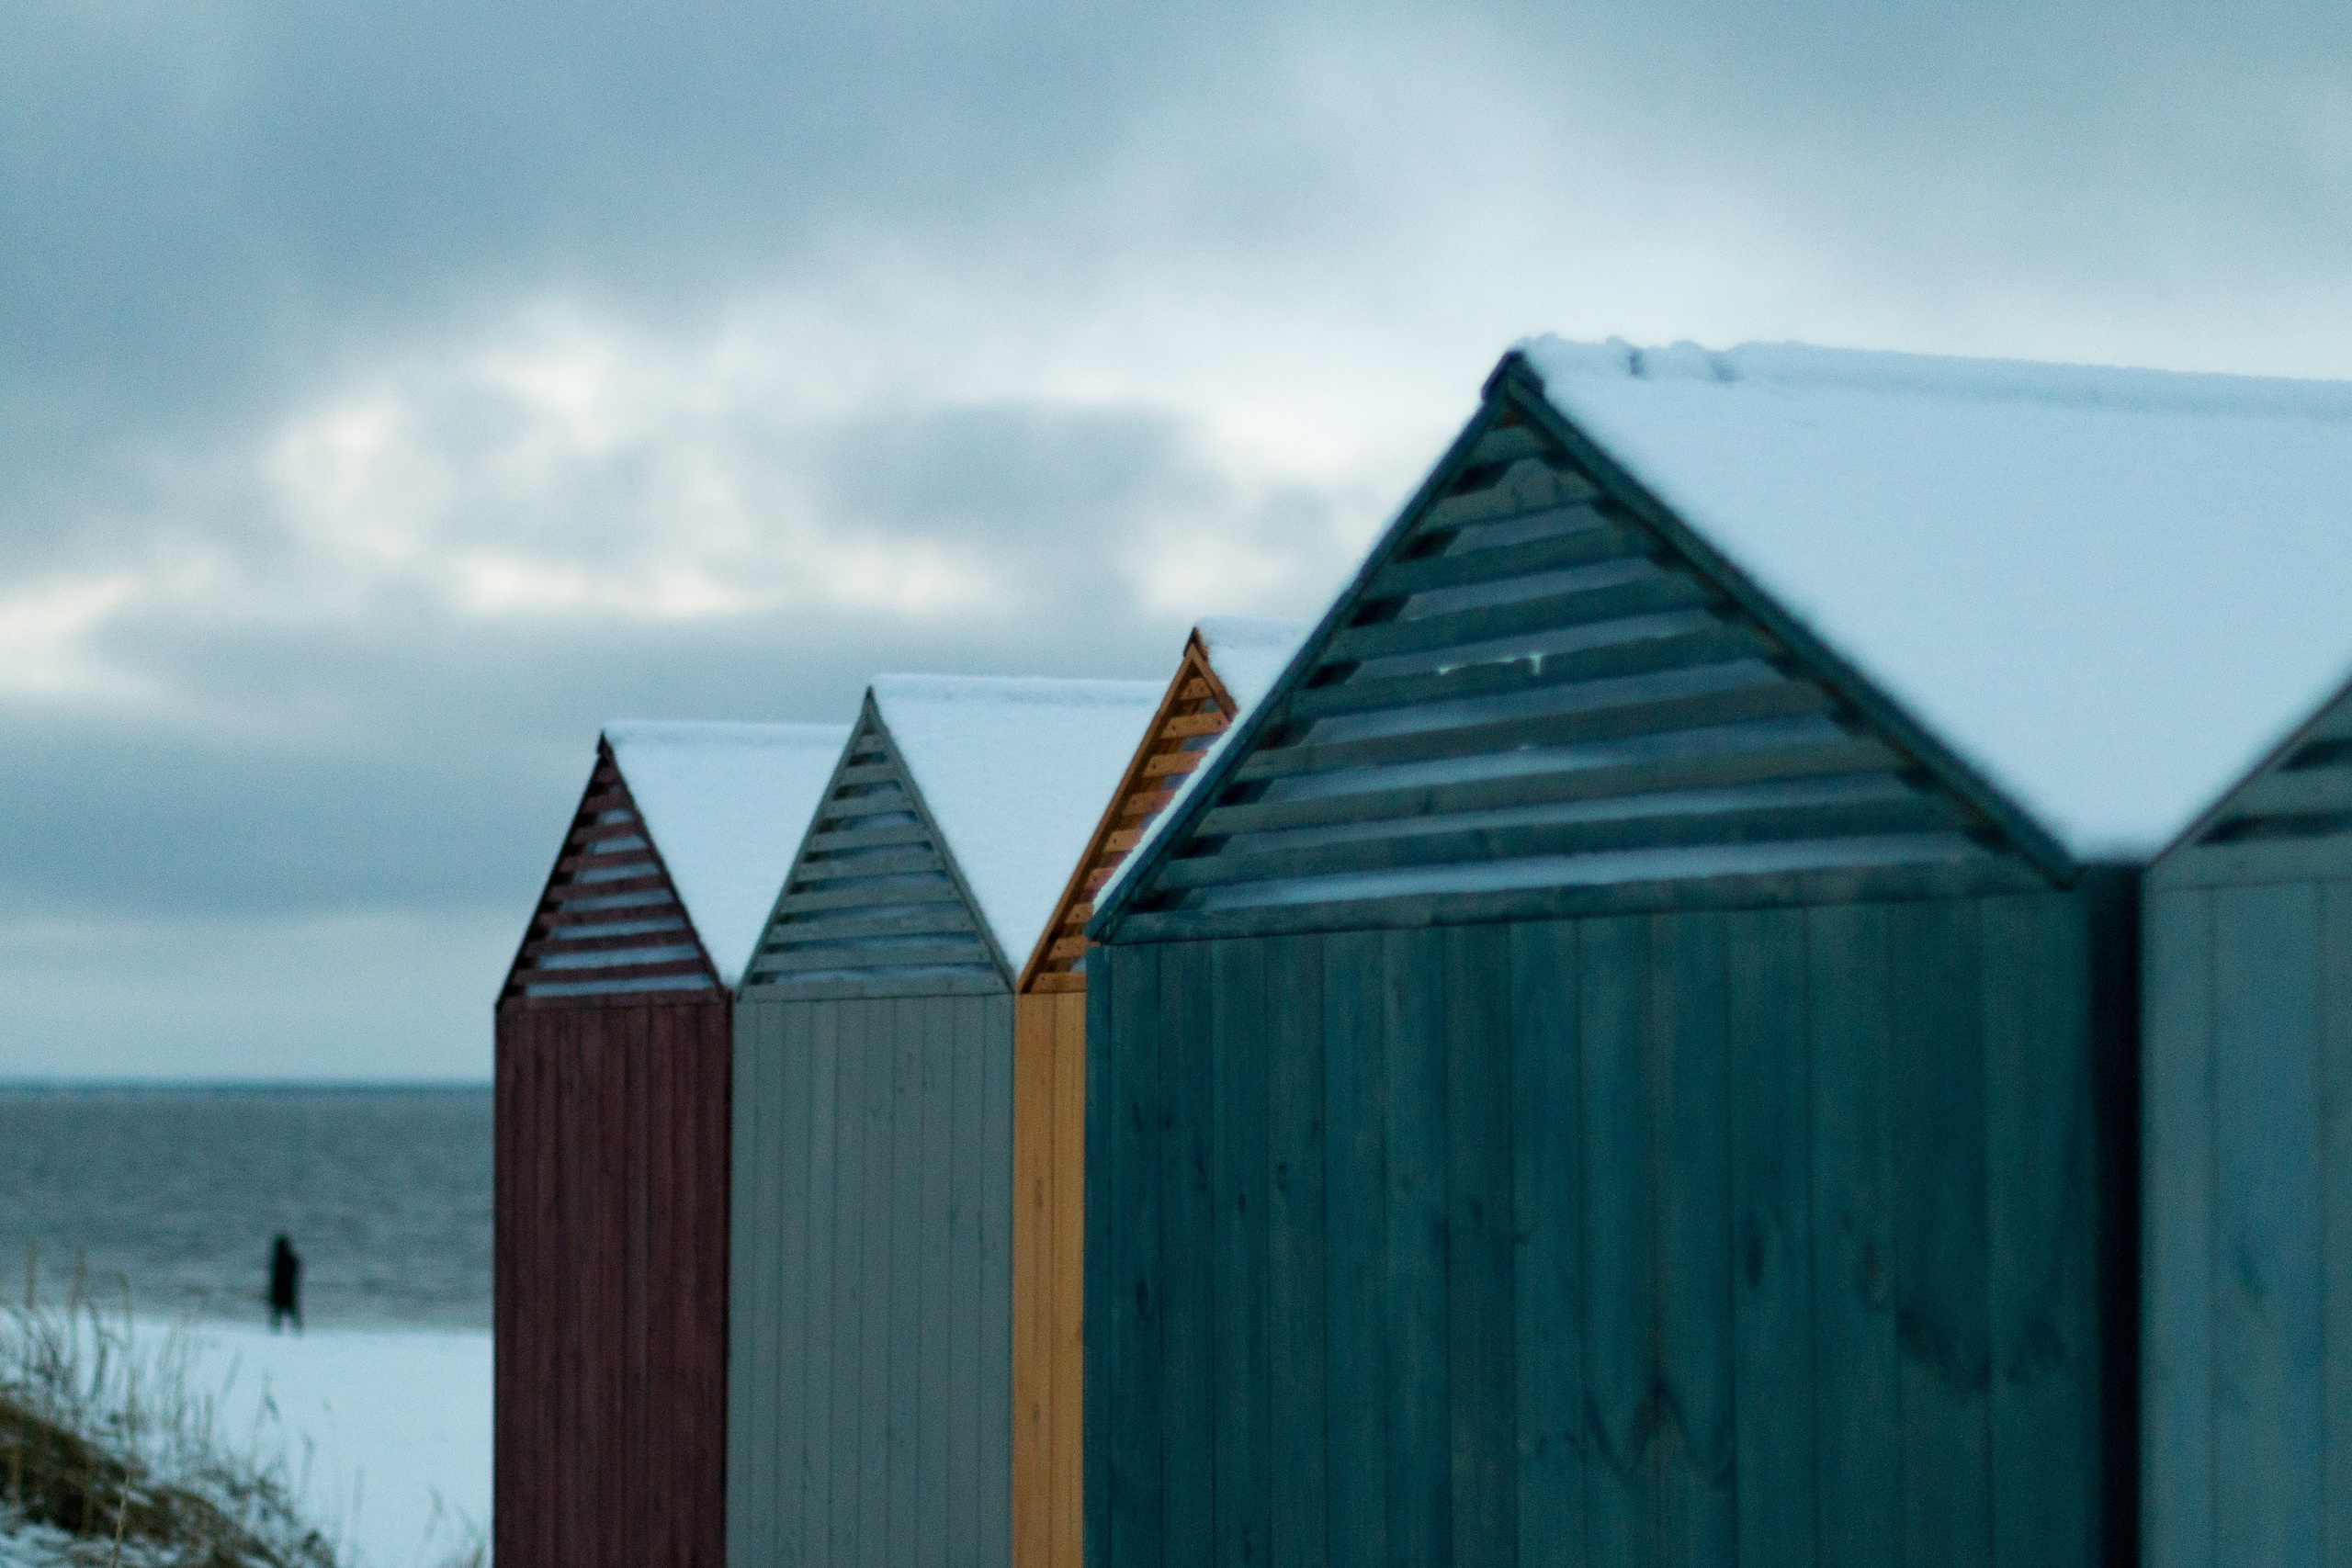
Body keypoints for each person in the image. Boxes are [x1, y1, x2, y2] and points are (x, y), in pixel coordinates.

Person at [268, 1234, 302, 1333]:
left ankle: (274, 1334)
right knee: (293, 1314)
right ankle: (298, 1333)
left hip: (280, 1292)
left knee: (276, 1316)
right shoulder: (292, 1260)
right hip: (289, 1292)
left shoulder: (277, 1260)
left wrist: (272, 1292)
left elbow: (275, 1279)